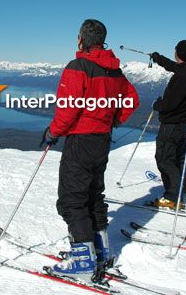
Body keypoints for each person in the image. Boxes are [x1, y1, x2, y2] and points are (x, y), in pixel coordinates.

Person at [41, 19, 139, 280]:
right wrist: (113, 119)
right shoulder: (114, 71)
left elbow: (69, 107)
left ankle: (83, 262)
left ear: (80, 39)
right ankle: (101, 250)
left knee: (72, 199)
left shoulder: (79, 66)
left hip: (81, 140)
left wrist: (53, 132)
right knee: (94, 193)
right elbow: (132, 99)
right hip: (101, 140)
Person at [148, 40, 186, 209]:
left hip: (171, 124)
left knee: (165, 159)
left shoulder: (181, 78)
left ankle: (172, 197)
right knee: (180, 156)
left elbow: (171, 104)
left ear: (177, 52)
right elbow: (173, 66)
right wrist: (158, 58)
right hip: (182, 123)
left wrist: (157, 104)